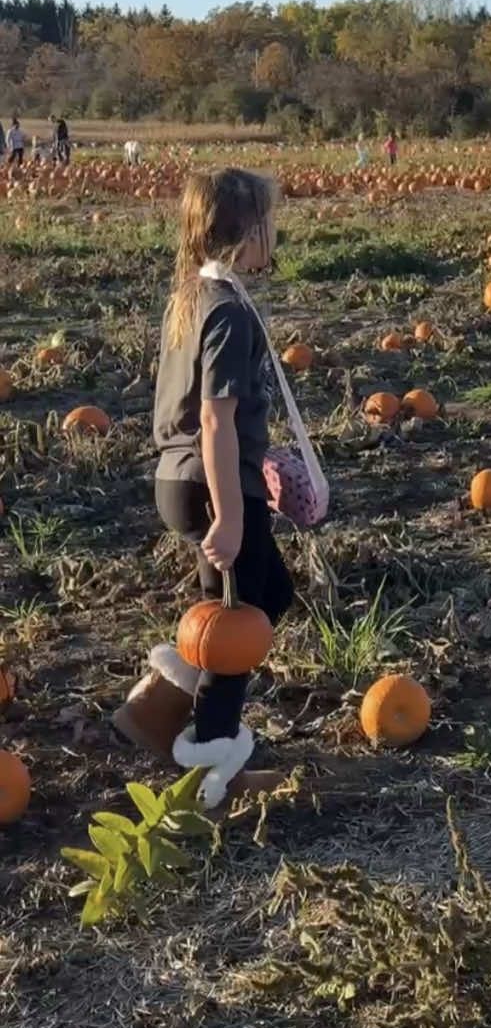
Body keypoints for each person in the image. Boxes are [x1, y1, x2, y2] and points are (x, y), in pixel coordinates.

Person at [152, 169, 295, 805]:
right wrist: (232, 513)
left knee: (264, 596)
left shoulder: (192, 295)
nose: (276, 236)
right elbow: (215, 418)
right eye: (270, 225)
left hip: (179, 479)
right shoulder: (230, 313)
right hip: (215, 485)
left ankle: (187, 692)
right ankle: (210, 773)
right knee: (238, 621)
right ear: (245, 234)